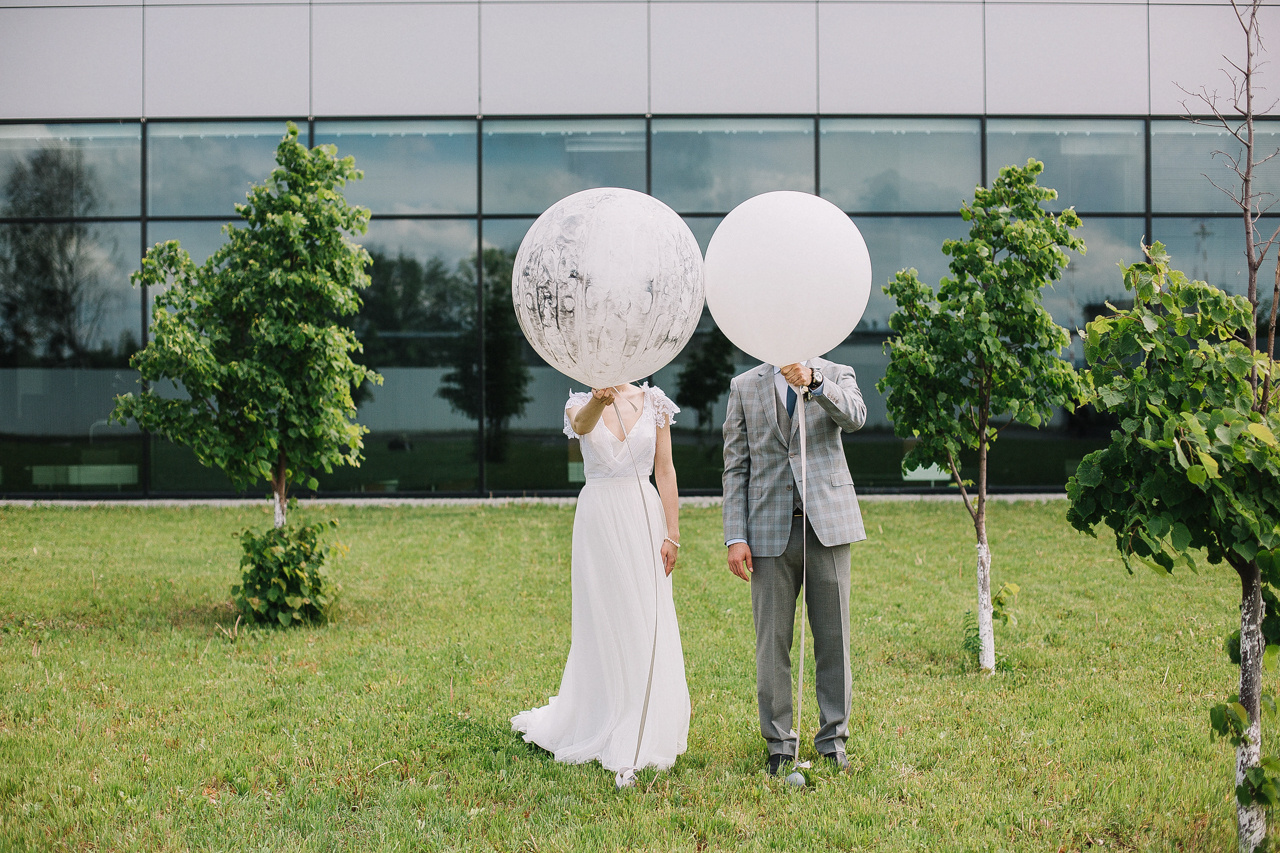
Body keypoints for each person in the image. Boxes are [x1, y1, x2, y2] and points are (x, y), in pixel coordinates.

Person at [512, 382, 690, 775]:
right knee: (603, 616)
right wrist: (597, 399)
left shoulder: (656, 402)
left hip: (643, 514)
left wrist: (672, 532)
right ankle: (601, 713)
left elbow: (665, 468)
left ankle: (644, 714)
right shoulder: (578, 401)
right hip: (598, 515)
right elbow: (580, 427)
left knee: (644, 612)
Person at [722, 359, 866, 775]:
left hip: (828, 526)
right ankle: (779, 744)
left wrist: (816, 383)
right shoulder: (743, 385)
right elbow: (735, 467)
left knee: (833, 639)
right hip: (767, 531)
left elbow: (856, 417)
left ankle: (833, 739)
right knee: (772, 644)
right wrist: (736, 535)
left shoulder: (838, 372)